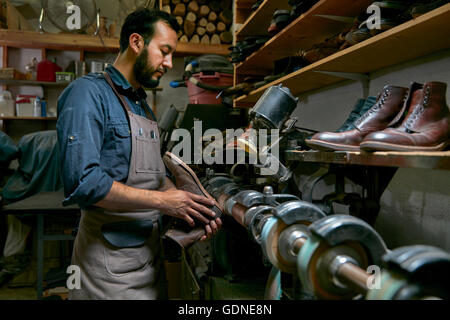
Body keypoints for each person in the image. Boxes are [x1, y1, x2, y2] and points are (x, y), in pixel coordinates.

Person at [56, 8, 222, 300]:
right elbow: (83, 183)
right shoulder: (88, 94)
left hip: (149, 256)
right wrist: (165, 202)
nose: (169, 63)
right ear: (136, 42)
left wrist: (189, 208)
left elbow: (155, 176)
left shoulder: (142, 106)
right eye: (165, 51)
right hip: (108, 268)